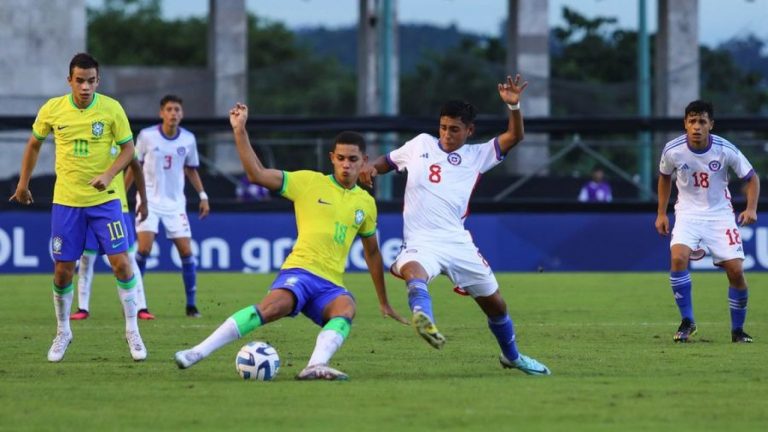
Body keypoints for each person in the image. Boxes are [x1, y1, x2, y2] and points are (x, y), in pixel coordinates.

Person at [175, 103, 407, 380]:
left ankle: (314, 365)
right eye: (341, 158)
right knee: (272, 308)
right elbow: (257, 174)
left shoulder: (366, 203)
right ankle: (197, 352)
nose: (347, 164)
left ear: (364, 160)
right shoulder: (308, 182)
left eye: (353, 159)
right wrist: (240, 131)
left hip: (330, 284)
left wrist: (383, 301)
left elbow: (372, 252)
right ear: (332, 157)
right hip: (301, 271)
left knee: (346, 308)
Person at [359, 74, 551, 375]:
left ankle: (512, 356)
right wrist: (371, 167)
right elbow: (387, 161)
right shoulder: (420, 144)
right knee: (415, 272)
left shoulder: (477, 156)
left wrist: (513, 108)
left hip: (458, 243)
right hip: (422, 241)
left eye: (454, 129)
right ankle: (423, 316)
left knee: (497, 306)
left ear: (469, 130)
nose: (446, 134)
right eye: (443, 127)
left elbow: (514, 137)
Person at [9, 52, 147, 362]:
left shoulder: (111, 109)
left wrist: (109, 174)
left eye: (92, 81)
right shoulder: (53, 109)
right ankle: (63, 330)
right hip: (67, 202)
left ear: (99, 81)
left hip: (105, 201)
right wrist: (23, 183)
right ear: (69, 80)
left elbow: (129, 149)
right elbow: (34, 144)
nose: (86, 87)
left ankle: (131, 329)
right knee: (62, 272)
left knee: (121, 264)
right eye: (80, 81)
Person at [655, 99, 759, 343]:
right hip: (687, 214)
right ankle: (687, 321)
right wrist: (661, 213)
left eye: (702, 121)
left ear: (711, 124)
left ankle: (737, 331)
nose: (697, 126)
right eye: (692, 121)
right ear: (685, 124)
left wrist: (751, 208)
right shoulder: (673, 149)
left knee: (735, 271)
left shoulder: (725, 149)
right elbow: (664, 178)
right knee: (678, 257)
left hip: (720, 215)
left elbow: (752, 178)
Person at [132, 94, 210, 318]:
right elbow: (134, 167)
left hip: (175, 204)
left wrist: (203, 195)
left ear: (182, 114)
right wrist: (121, 196)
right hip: (148, 201)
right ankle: (137, 303)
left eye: (177, 109)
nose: (173, 113)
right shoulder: (147, 136)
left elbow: (191, 169)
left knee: (186, 251)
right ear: (161, 113)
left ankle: (191, 305)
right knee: (144, 249)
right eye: (169, 109)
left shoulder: (188, 139)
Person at [71, 155, 155, 320]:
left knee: (128, 258)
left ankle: (141, 307)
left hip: (117, 207)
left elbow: (136, 166)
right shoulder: (88, 138)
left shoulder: (122, 142)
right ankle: (82, 308)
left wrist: (143, 201)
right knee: (87, 258)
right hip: (87, 204)